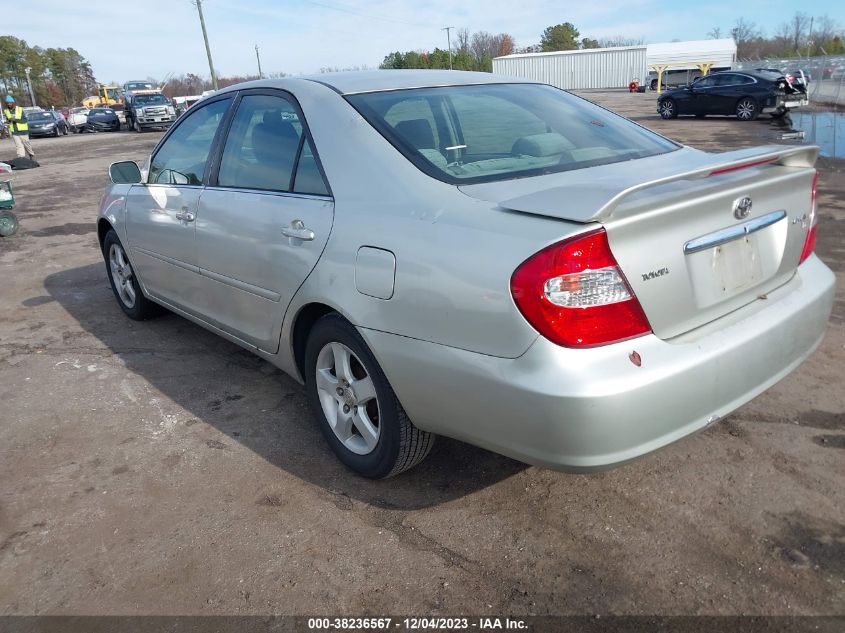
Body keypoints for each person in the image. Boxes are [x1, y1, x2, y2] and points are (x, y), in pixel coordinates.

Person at [3, 95, 35, 160]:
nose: (8, 104)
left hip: (23, 131)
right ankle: (21, 157)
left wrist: (15, 120)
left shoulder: (20, 109)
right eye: (7, 103)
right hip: (14, 131)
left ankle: (31, 154)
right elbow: (8, 120)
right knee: (19, 145)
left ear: (13, 102)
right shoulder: (6, 111)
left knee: (26, 144)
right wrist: (8, 121)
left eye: (10, 102)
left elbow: (25, 120)